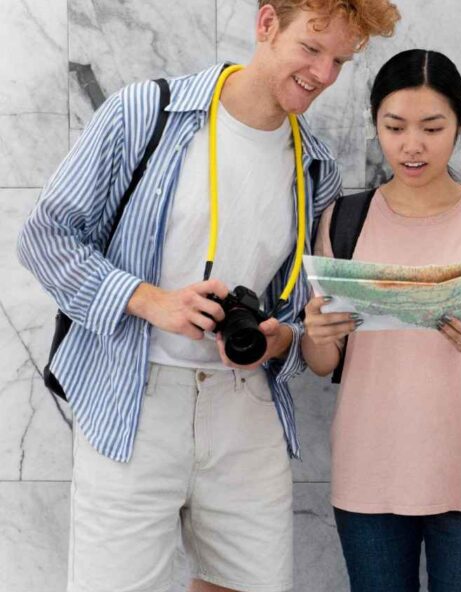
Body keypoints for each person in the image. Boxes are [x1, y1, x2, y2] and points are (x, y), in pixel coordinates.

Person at [16, 2, 399, 591]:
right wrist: (151, 300)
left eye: (340, 62)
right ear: (267, 24)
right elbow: (45, 236)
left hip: (243, 406)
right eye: (312, 49)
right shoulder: (149, 113)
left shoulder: (315, 166)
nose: (324, 75)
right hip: (132, 402)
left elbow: (301, 317)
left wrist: (281, 339)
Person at [301, 48, 461, 592]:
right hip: (369, 470)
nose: (412, 145)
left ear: (460, 126)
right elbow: (321, 363)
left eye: (432, 127)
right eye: (395, 126)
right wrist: (317, 333)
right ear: (376, 124)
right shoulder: (345, 219)